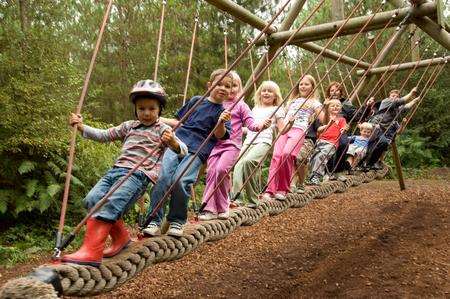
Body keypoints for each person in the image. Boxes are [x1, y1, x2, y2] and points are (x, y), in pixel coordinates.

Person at [62, 80, 187, 266]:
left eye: (151, 109)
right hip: (116, 171)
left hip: (138, 175)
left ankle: (92, 251)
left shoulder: (163, 130)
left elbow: (183, 151)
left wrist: (173, 143)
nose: (146, 113)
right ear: (135, 109)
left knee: (111, 205)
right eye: (141, 108)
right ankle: (121, 239)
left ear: (159, 110)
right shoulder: (129, 126)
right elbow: (104, 135)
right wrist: (82, 127)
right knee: (92, 200)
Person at [142, 68, 232, 237]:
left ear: (230, 91)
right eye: (219, 84)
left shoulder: (225, 113)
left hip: (198, 149)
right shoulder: (197, 101)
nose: (223, 88)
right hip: (177, 141)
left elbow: (220, 136)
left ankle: (177, 220)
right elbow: (180, 122)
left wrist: (220, 122)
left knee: (180, 180)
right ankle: (153, 220)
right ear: (209, 85)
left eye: (228, 86)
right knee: (162, 177)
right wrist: (158, 120)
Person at [199, 72, 271, 220]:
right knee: (212, 171)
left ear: (239, 88)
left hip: (232, 145)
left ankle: (223, 205)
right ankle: (209, 209)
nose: (230, 89)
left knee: (222, 170)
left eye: (233, 86)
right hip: (215, 145)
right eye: (226, 86)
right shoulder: (217, 104)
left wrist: (261, 126)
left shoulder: (241, 106)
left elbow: (251, 124)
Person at [263, 74, 323, 200]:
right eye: (301, 84)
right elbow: (282, 116)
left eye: (306, 84)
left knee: (287, 154)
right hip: (284, 129)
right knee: (277, 157)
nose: (303, 86)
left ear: (312, 86)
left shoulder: (314, 103)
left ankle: (283, 188)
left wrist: (326, 109)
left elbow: (323, 119)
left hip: (299, 130)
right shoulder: (292, 101)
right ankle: (270, 190)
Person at [231, 80, 285, 208]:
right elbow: (250, 127)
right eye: (264, 90)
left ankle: (253, 199)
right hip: (249, 141)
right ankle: (236, 199)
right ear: (259, 93)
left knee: (248, 162)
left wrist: (291, 125)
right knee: (238, 165)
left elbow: (282, 129)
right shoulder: (254, 108)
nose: (266, 93)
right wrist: (235, 129)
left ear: (275, 95)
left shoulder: (276, 109)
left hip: (263, 141)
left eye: (270, 91)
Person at [324, 81, 374, 174]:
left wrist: (367, 106)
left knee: (343, 143)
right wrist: (325, 105)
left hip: (341, 130)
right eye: (332, 90)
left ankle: (337, 171)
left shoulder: (346, 104)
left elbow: (357, 115)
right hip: (325, 129)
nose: (334, 92)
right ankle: (325, 171)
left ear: (341, 92)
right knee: (325, 147)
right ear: (328, 92)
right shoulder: (324, 103)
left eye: (337, 90)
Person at [365, 87, 420, 169]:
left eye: (396, 96)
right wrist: (411, 93)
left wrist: (415, 100)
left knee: (383, 144)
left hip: (381, 129)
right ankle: (367, 162)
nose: (394, 97)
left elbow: (406, 106)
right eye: (393, 95)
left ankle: (371, 163)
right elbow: (401, 101)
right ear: (389, 97)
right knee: (376, 143)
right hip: (375, 125)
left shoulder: (396, 109)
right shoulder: (386, 101)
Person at [308, 99, 347, 185]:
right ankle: (312, 176)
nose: (335, 107)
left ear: (341, 108)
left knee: (322, 156)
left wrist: (343, 129)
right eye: (332, 106)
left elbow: (343, 128)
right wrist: (328, 124)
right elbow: (318, 129)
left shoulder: (341, 119)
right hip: (320, 141)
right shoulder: (323, 118)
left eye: (338, 105)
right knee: (314, 157)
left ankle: (316, 176)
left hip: (332, 143)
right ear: (327, 108)